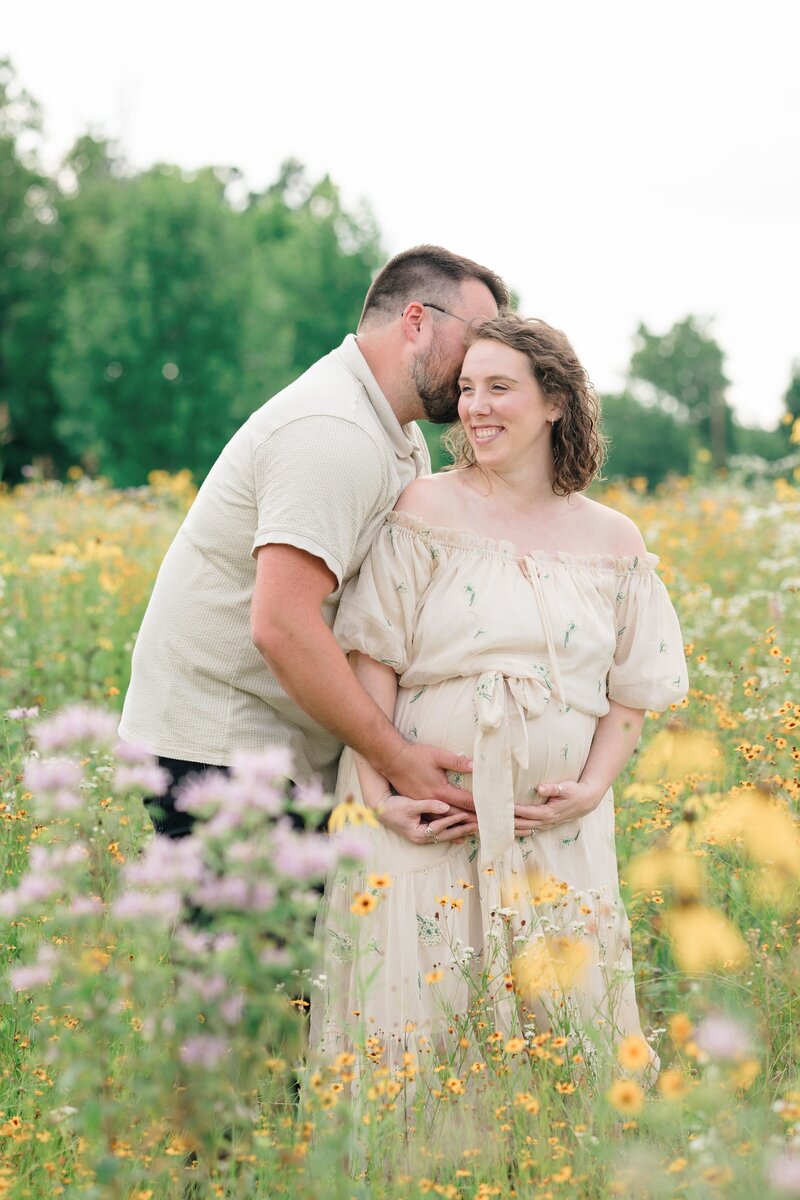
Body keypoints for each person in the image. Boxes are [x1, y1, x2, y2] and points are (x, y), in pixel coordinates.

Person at [311, 313, 688, 1076]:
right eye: (468, 389)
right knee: (424, 1022)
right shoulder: (425, 509)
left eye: (500, 388)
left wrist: (589, 789)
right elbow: (372, 662)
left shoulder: (615, 541)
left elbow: (630, 697)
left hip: (557, 832)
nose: (476, 406)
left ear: (555, 401)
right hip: (425, 818)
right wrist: (379, 795)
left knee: (562, 1024)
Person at [118, 246, 508, 835]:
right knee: (254, 930)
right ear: (416, 320)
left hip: (274, 748)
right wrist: (398, 759)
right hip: (222, 750)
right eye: (477, 336)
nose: (482, 358)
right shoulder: (335, 431)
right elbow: (282, 624)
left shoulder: (395, 436)